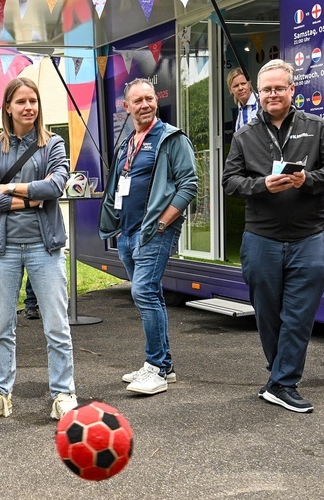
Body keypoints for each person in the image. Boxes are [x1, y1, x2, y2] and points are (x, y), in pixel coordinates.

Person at [222, 59, 324, 413]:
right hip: (261, 239)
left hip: (308, 237)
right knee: (267, 313)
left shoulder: (316, 126)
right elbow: (229, 182)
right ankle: (279, 379)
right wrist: (262, 184)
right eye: (266, 90)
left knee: (299, 315)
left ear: (292, 90)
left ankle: (284, 382)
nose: (272, 94)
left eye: (279, 88)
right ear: (258, 94)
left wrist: (307, 180)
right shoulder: (245, 135)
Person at [0, 77, 78, 422]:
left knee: (56, 325)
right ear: (7, 107)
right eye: (21, 101)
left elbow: (56, 185)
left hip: (44, 247)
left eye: (33, 100)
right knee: (0, 326)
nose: (28, 107)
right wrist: (29, 201)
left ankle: (63, 393)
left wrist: (12, 187)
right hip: (2, 249)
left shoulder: (54, 144)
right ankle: (0, 392)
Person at [97, 78, 199, 396]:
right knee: (148, 295)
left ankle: (155, 368)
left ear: (156, 101)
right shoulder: (129, 142)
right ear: (126, 107)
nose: (144, 104)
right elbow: (120, 186)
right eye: (137, 100)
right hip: (127, 233)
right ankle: (162, 366)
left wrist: (160, 226)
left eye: (149, 98)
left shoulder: (171, 139)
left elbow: (189, 186)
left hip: (153, 231)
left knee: (144, 292)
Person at [228, 68, 259, 132]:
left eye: (243, 83)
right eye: (236, 86)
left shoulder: (261, 102)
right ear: (230, 90)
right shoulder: (239, 110)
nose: (240, 88)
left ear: (249, 84)